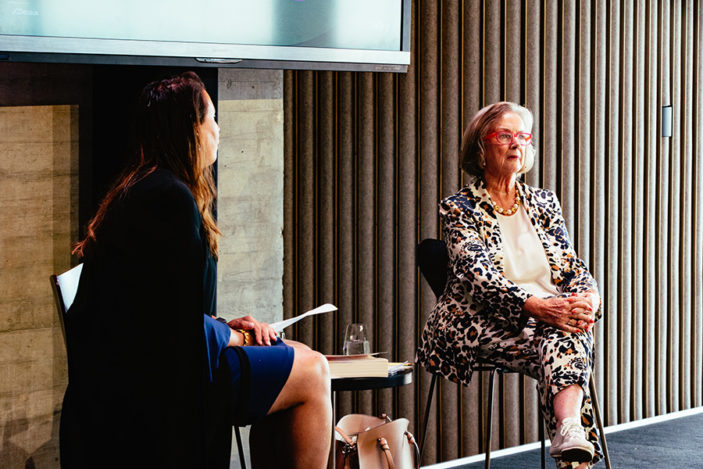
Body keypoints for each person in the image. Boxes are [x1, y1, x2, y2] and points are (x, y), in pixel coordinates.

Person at [59, 72, 331, 469]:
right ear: (190, 128)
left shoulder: (141, 188)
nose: (218, 130)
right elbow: (174, 329)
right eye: (212, 119)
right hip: (158, 392)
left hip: (138, 378)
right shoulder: (169, 199)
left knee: (297, 356)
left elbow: (160, 308)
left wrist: (224, 326)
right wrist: (234, 336)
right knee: (313, 370)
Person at [417, 102, 603, 468]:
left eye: (522, 136)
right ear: (481, 148)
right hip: (479, 321)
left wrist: (590, 297)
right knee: (564, 339)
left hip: (544, 321)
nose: (516, 144)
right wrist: (536, 306)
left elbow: (570, 266)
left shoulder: (544, 202)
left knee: (567, 332)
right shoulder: (459, 208)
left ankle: (569, 432)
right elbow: (476, 273)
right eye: (504, 136)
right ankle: (573, 444)